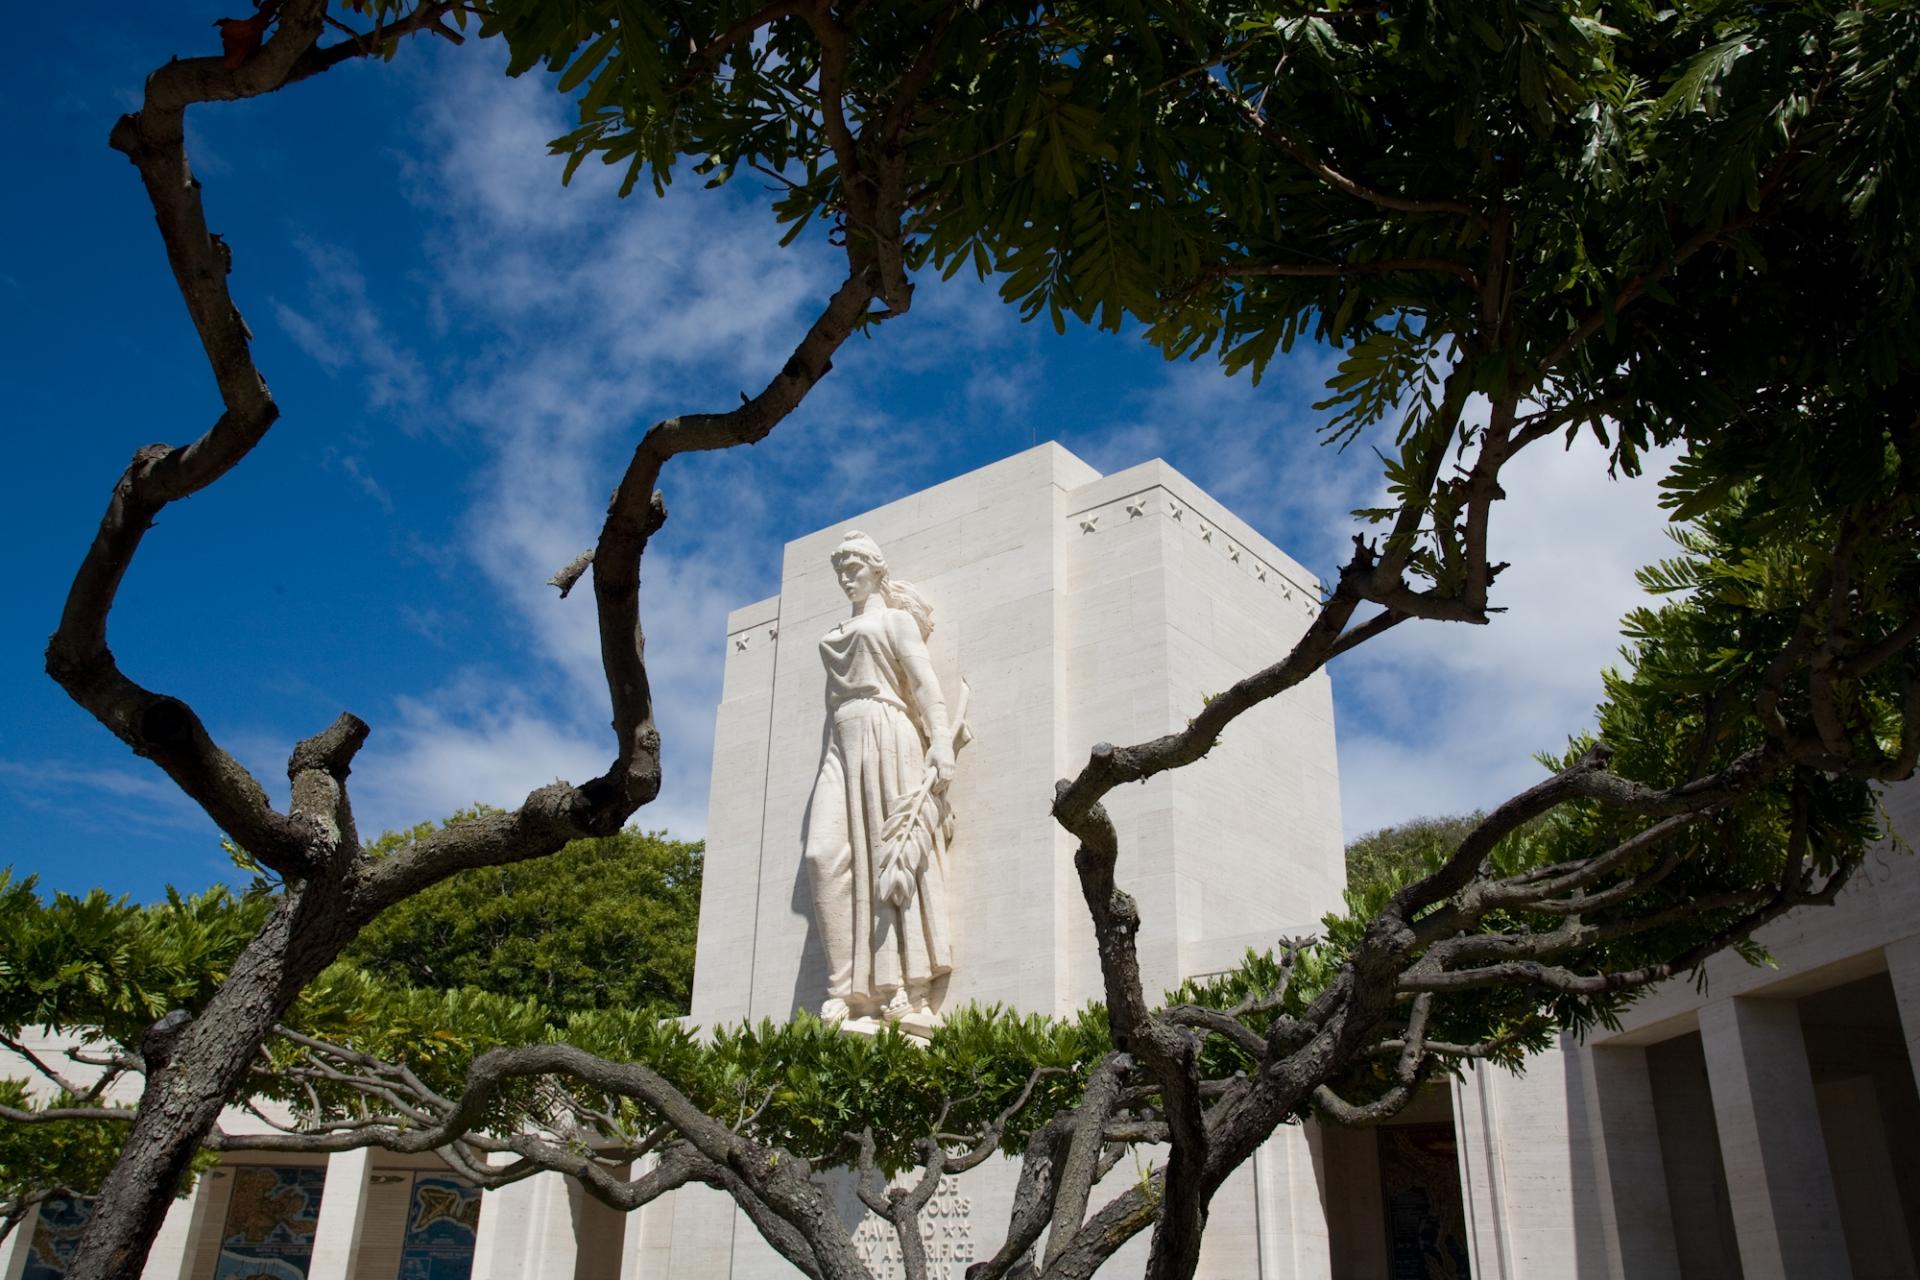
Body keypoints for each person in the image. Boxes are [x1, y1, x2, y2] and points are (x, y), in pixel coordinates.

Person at [803, 531, 963, 1032]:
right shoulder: (836, 629)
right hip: (840, 741)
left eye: (853, 567)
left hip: (887, 729)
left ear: (877, 569)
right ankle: (845, 990)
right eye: (840, 570)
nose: (845, 577)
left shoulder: (895, 621)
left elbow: (924, 683)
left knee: (890, 854)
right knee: (822, 854)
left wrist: (940, 741)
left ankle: (904, 991)